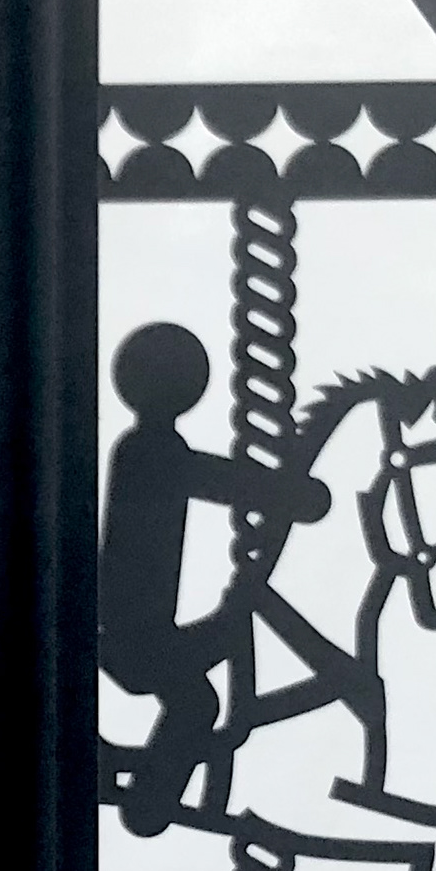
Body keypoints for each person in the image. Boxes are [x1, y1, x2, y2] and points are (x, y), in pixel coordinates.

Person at [96, 320, 333, 835]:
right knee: (196, 701)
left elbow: (218, 480)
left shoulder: (140, 447)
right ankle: (148, 803)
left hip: (133, 629)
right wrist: (295, 496)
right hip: (134, 638)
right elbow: (219, 481)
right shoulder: (155, 452)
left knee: (231, 632)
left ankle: (193, 767)